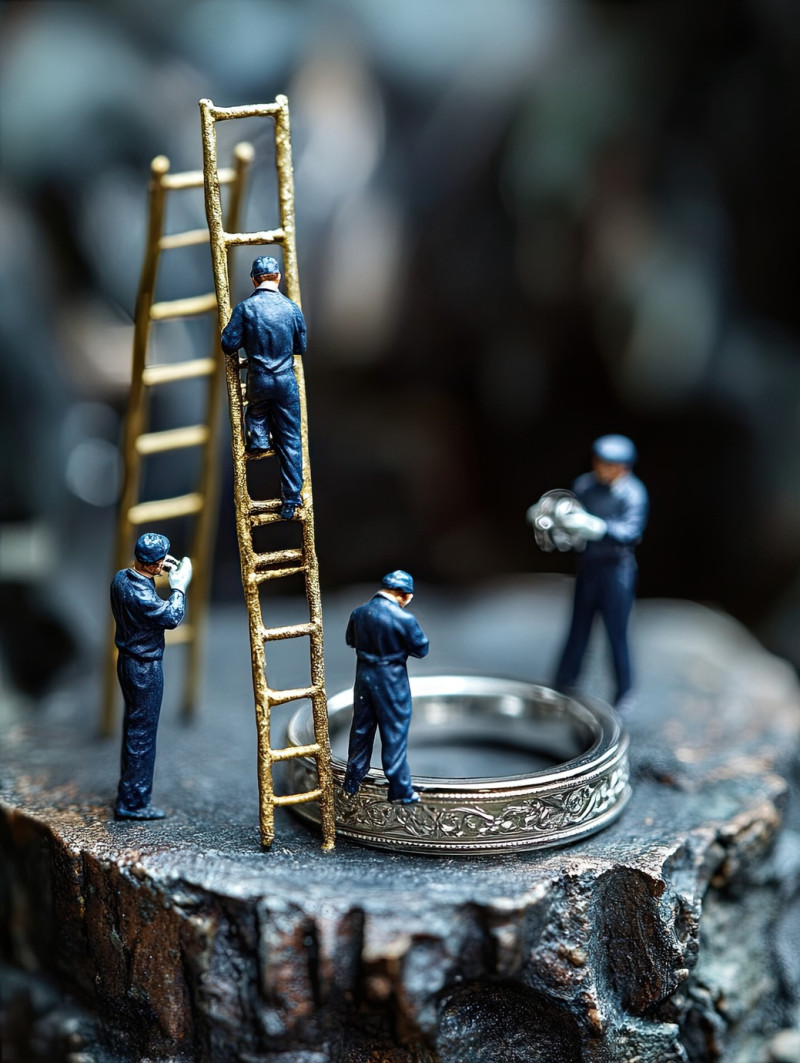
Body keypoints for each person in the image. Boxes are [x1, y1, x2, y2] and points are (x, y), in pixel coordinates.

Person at [541, 435, 648, 712]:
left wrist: (597, 527)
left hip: (616, 572)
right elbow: (569, 515)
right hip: (587, 568)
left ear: (623, 468)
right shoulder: (585, 485)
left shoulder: (633, 493)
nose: (601, 468)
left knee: (617, 634)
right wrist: (551, 518)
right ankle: (564, 683)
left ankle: (624, 692)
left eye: (608, 465)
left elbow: (630, 532)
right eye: (599, 462)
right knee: (578, 629)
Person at [111, 532, 192, 820]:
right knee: (143, 735)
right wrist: (179, 588)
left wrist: (162, 568)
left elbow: (145, 584)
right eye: (160, 562)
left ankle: (129, 792)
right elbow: (171, 617)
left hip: (127, 661)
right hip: (144, 667)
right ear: (154, 565)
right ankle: (133, 802)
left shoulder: (121, 578)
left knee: (134, 730)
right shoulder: (143, 596)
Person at [220, 255, 307, 520]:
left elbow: (228, 344)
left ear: (254, 280)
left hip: (258, 376)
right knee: (291, 438)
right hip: (284, 380)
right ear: (278, 277)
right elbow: (300, 348)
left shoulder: (245, 309)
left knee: (256, 411)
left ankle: (258, 438)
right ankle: (291, 499)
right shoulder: (292, 309)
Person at [343, 571, 429, 804]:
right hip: (391, 679)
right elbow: (421, 649)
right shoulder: (404, 620)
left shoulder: (358, 613)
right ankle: (400, 790)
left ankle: (352, 780)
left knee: (361, 730)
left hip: (364, 676)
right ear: (404, 594)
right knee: (394, 733)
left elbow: (350, 640)